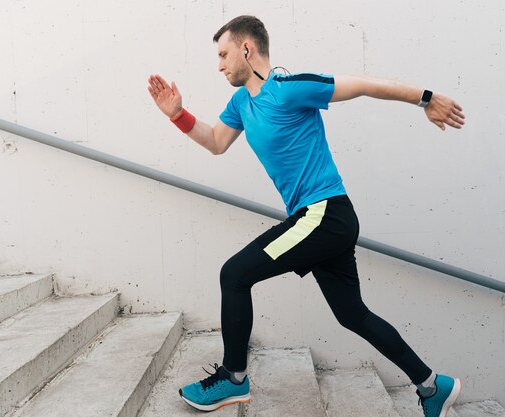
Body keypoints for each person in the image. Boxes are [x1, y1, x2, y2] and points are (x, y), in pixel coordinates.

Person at [147, 15, 465, 417]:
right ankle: (433, 385)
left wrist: (426, 97)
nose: (220, 64)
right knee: (353, 315)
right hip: (319, 221)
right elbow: (215, 142)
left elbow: (364, 85)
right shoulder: (242, 103)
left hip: (325, 214)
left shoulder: (290, 89)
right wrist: (177, 114)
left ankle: (233, 378)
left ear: (247, 48)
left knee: (234, 274)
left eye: (224, 54)